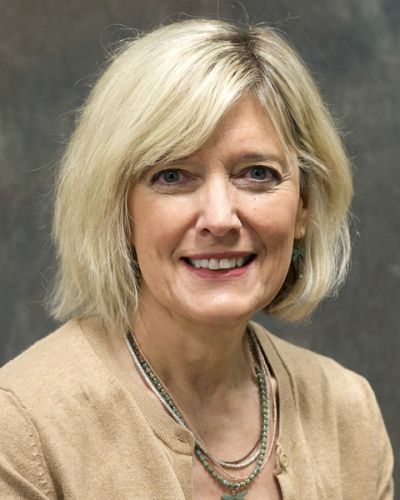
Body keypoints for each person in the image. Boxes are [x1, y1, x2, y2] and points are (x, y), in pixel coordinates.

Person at [0, 19, 393, 500]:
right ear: (118, 210)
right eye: (173, 176)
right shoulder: (21, 429)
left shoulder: (347, 414)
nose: (220, 219)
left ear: (304, 208)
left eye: (257, 173)